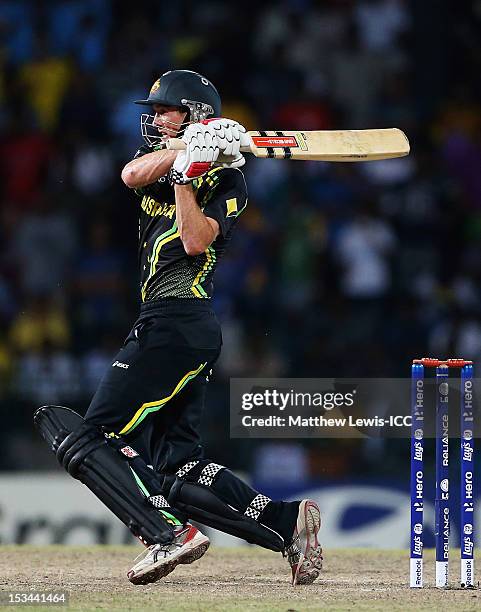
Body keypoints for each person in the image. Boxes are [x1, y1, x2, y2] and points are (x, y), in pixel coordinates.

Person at [34, 69, 322, 587]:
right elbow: (129, 174)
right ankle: (287, 523)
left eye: (165, 111)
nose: (154, 118)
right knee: (177, 468)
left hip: (177, 320)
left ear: (192, 111)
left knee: (86, 433)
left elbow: (194, 241)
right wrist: (190, 149)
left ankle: (166, 535)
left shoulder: (230, 180)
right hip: (179, 327)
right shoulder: (165, 159)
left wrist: (193, 175)